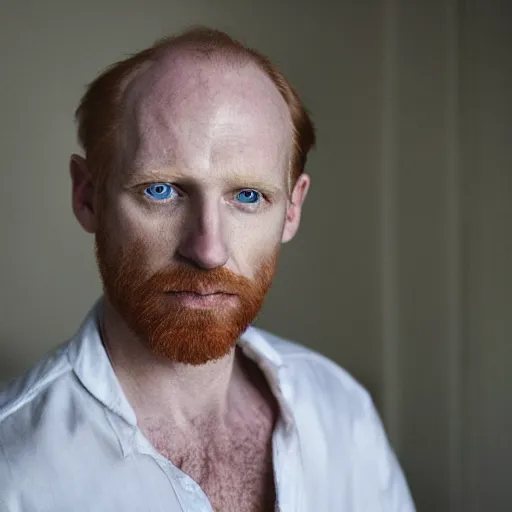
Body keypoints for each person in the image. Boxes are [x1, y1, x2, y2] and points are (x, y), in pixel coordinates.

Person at [0, 27, 415, 512]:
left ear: (293, 209)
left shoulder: (343, 413)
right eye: (161, 190)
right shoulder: (14, 470)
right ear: (87, 196)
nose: (208, 249)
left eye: (248, 196)